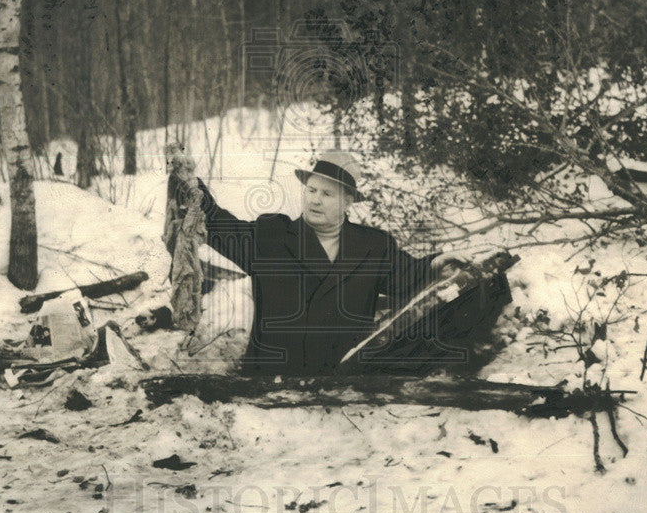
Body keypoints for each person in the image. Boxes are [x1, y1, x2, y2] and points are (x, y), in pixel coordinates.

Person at [195, 150, 488, 376]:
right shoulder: (272, 235)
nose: (315, 200)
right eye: (311, 190)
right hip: (271, 380)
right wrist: (191, 190)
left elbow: (405, 278)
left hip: (343, 383)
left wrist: (437, 262)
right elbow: (222, 228)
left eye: (327, 193)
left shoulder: (374, 245)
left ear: (348, 201)